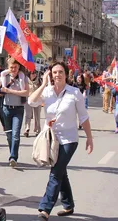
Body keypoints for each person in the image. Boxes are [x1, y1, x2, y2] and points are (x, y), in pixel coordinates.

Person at [28, 62, 93, 221]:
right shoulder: (47, 92)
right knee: (61, 172)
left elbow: (83, 117)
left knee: (55, 173)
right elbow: (31, 101)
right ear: (50, 74)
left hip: (69, 139)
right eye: (54, 72)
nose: (57, 75)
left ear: (66, 74)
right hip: (52, 140)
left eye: (60, 72)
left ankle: (45, 209)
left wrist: (89, 138)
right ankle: (68, 204)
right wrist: (43, 84)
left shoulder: (74, 93)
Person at [0, 58, 29, 168]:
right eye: (11, 67)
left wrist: (10, 91)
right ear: (8, 67)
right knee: (9, 135)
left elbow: (26, 92)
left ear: (19, 67)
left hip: (18, 109)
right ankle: (12, 153)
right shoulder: (4, 76)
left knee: (16, 134)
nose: (13, 69)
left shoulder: (23, 77)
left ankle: (13, 157)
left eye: (15, 67)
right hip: (6, 109)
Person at [24, 71, 42, 137]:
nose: (34, 74)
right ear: (29, 74)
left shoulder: (39, 81)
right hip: (28, 99)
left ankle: (38, 129)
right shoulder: (26, 80)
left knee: (37, 115)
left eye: (35, 73)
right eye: (32, 73)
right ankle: (27, 129)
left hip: (37, 100)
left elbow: (42, 89)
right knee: (28, 115)